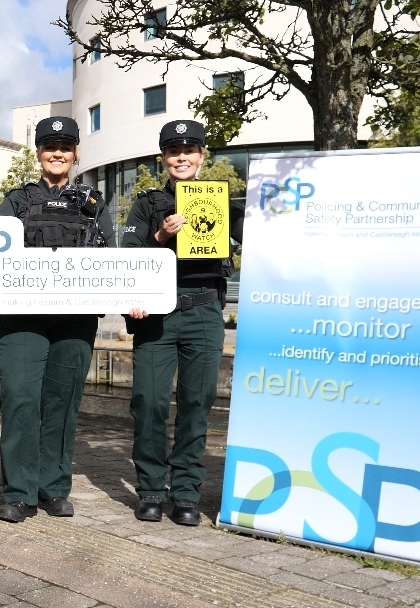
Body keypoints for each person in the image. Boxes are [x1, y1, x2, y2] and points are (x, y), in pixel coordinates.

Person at [0, 117, 115, 523]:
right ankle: (19, 492)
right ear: (39, 153)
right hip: (21, 319)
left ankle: (54, 487)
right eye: (49, 147)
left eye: (65, 147)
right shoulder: (16, 201)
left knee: (62, 402)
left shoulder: (94, 204)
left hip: (74, 319)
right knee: (20, 398)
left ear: (76, 153)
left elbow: (111, 259)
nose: (57, 153)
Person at [122, 120, 240, 526]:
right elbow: (128, 255)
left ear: (201, 156)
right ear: (164, 159)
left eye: (189, 151)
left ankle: (186, 492)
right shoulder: (147, 204)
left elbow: (262, 236)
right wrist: (160, 236)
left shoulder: (223, 200)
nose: (182, 158)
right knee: (149, 402)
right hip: (156, 314)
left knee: (196, 404)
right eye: (174, 152)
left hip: (204, 311)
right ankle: (151, 490)